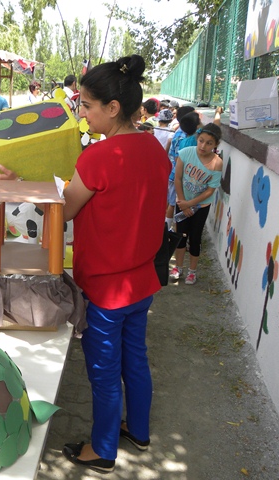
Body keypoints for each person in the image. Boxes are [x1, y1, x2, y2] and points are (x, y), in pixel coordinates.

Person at [59, 55, 170, 474]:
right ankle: (138, 430)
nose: (82, 113)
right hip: (141, 281)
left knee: (104, 373)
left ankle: (103, 450)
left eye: (87, 106)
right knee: (135, 359)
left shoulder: (98, 158)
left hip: (106, 288)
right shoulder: (155, 149)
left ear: (112, 108)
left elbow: (66, 210)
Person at [169, 123, 223, 285]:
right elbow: (177, 178)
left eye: (209, 143)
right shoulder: (185, 153)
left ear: (215, 145)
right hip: (182, 200)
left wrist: (190, 204)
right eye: (201, 141)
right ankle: (178, 267)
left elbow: (210, 191)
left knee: (195, 237)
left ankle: (193, 270)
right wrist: (182, 202)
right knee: (181, 236)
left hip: (200, 206)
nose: (203, 146)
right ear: (197, 139)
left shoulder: (217, 163)